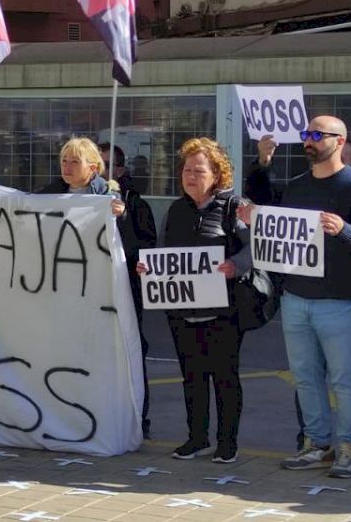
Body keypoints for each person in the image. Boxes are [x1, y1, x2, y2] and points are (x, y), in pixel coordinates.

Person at [239, 116, 351, 478]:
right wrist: (262, 163)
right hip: (296, 299)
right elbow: (267, 208)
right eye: (306, 134)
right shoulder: (298, 186)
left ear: (340, 141)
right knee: (305, 376)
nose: (309, 140)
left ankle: (350, 449)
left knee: (345, 379)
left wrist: (345, 230)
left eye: (318, 135)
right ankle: (315, 444)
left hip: (340, 302)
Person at [139, 138, 249, 463]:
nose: (191, 176)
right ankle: (196, 438)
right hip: (182, 312)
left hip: (224, 312)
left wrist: (235, 266)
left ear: (216, 174)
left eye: (199, 171)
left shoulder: (234, 207)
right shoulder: (175, 210)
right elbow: (163, 252)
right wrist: (149, 268)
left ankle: (227, 442)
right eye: (187, 170)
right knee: (192, 377)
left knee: (225, 378)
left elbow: (255, 247)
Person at [100, 142, 158, 438]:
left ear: (119, 171)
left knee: (128, 352)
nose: (98, 170)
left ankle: (138, 419)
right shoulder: (70, 197)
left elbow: (146, 249)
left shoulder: (136, 205)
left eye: (105, 165)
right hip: (87, 295)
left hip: (125, 293)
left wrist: (121, 220)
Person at [35, 138, 127, 217]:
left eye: (75, 161)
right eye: (64, 160)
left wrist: (121, 214)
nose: (67, 166)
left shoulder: (108, 196)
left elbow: (122, 229)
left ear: (93, 168)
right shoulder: (49, 193)